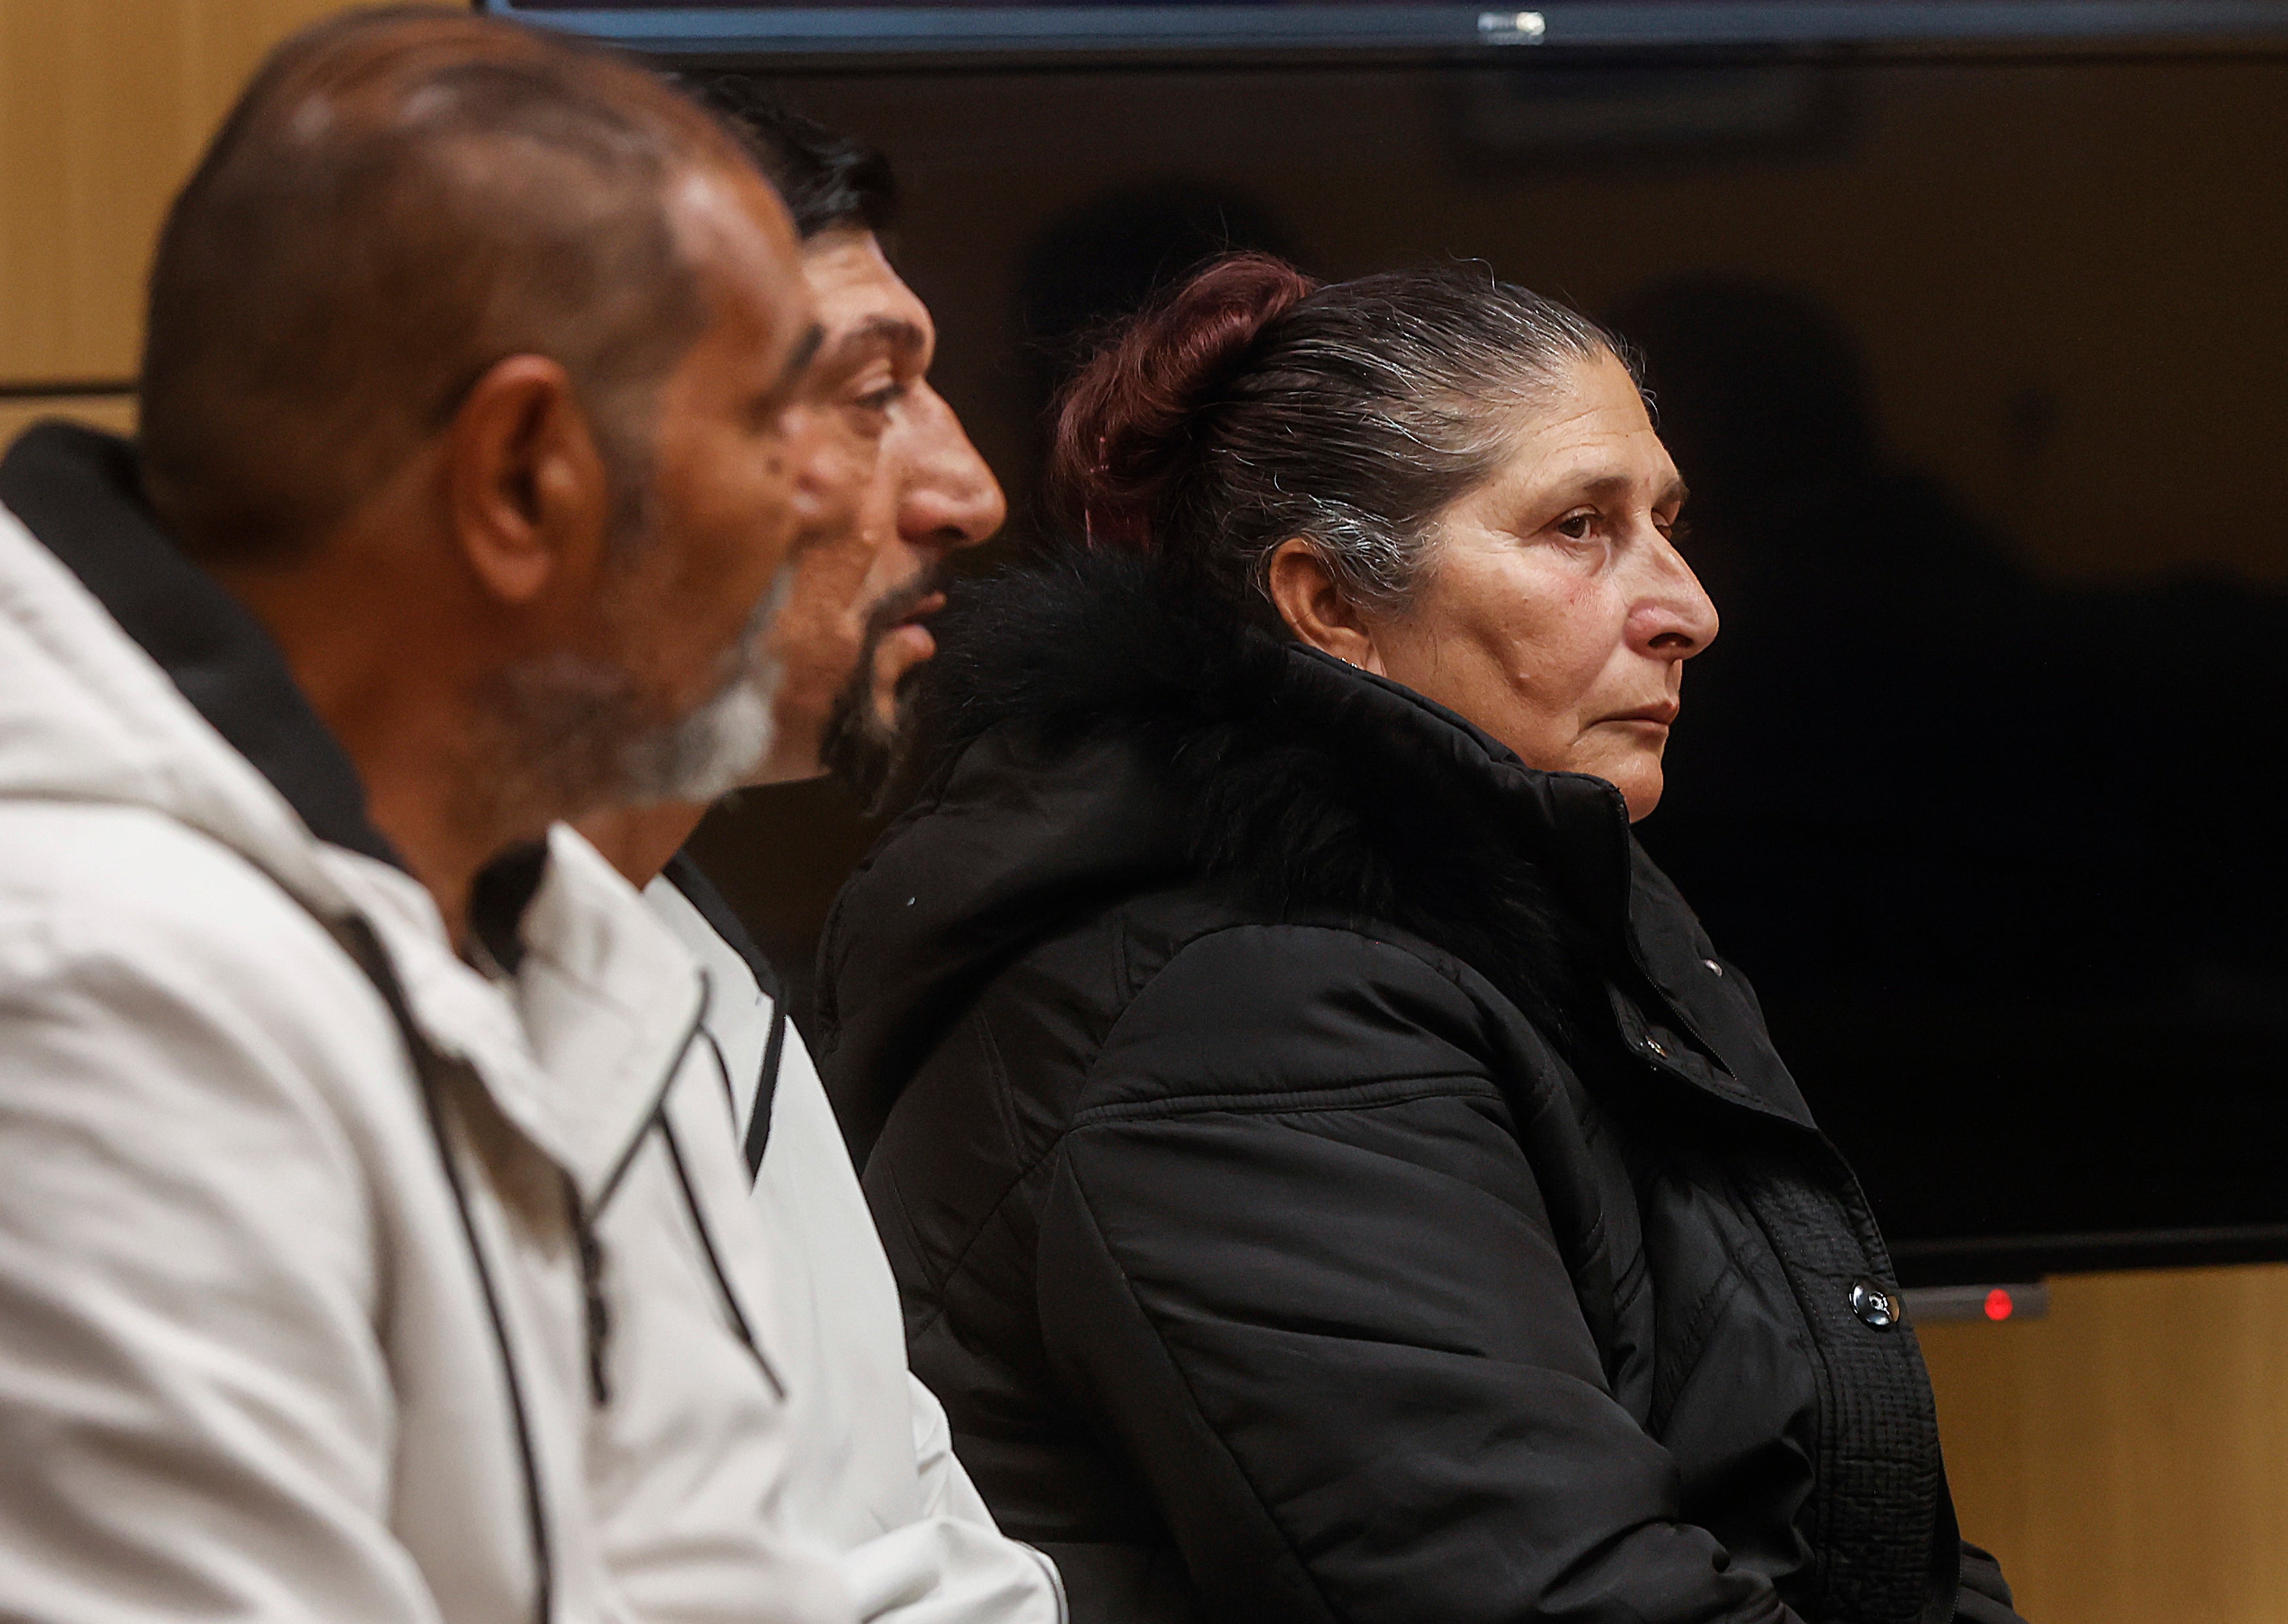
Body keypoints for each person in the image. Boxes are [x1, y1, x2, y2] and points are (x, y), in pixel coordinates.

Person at [814, 254, 2026, 1624]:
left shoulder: (1542, 898)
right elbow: (1550, 1598)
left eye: (1667, 521)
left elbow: (1862, 1540)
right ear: (1330, 607)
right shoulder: (1248, 1016)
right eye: (1580, 527)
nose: (1690, 606)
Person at [0, 10, 868, 1621]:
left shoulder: (557, 923)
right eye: (772, 421)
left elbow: (717, 1577)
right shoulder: (89, 977)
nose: (835, 498)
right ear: (525, 475)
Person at [570, 84, 1052, 1624]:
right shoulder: (197, 995)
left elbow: (943, 1542)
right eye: (870, 393)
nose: (967, 491)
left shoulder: (701, 971)